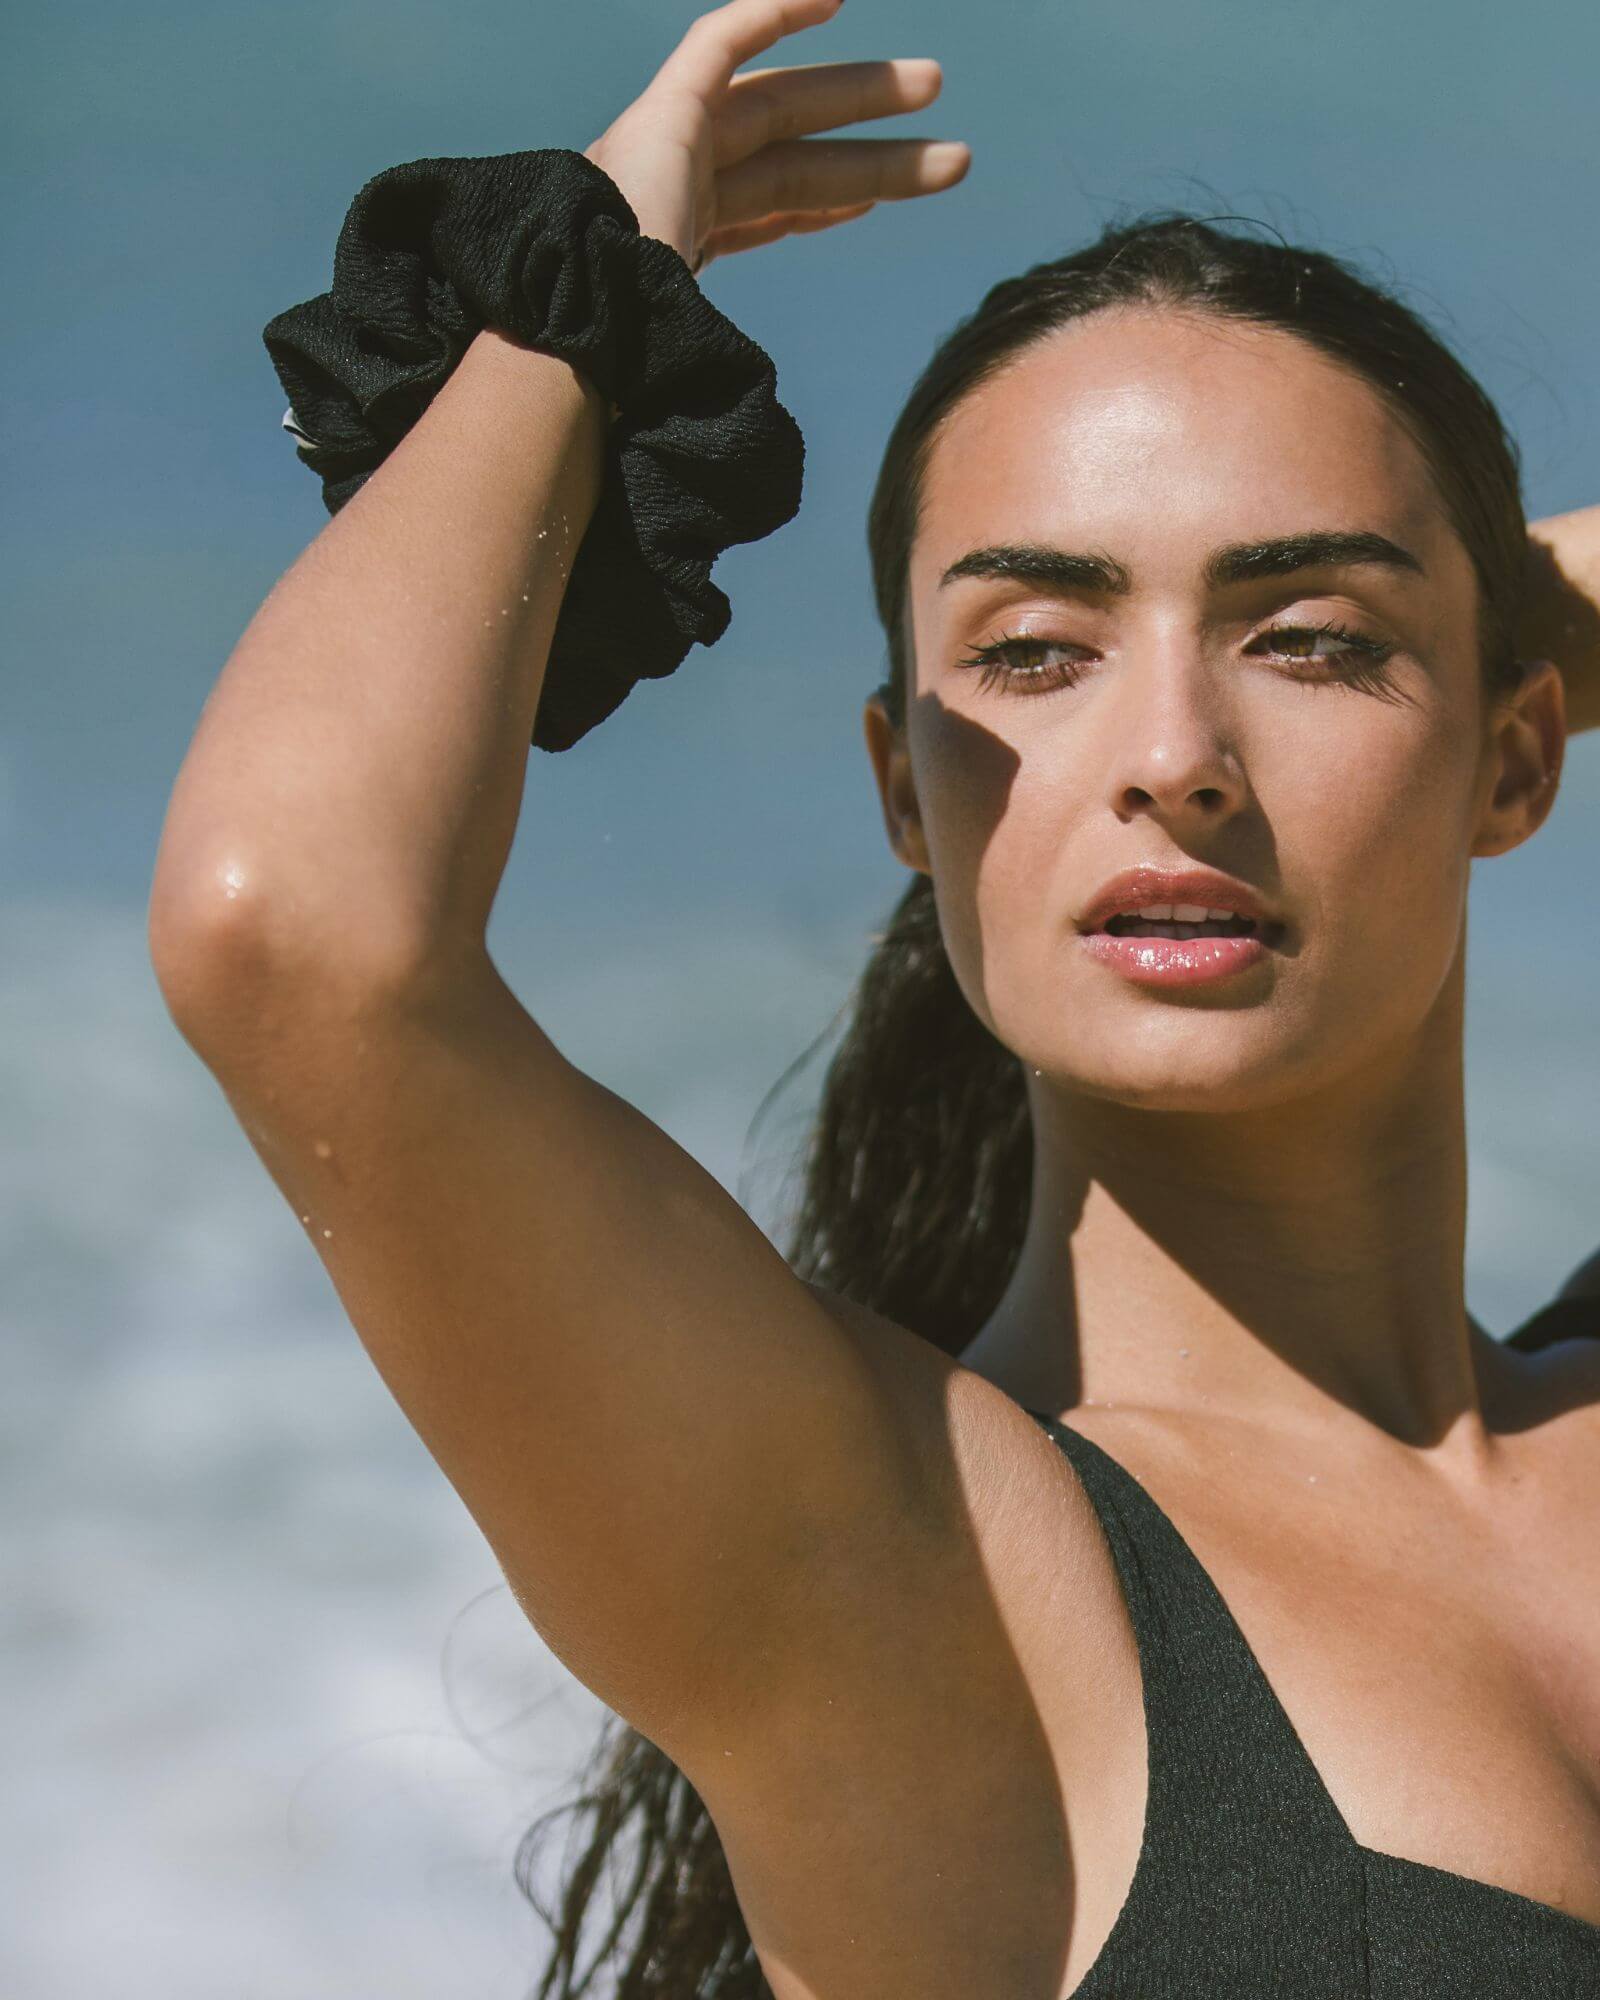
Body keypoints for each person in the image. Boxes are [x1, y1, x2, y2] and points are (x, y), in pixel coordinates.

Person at [148, 0, 1600, 1991]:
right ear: (899, 788)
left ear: (1519, 760)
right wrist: (572, 301)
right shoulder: (907, 1561)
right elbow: (299, 931)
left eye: (1301, 638)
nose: (1169, 750)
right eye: (1032, 649)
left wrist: (1473, 647)